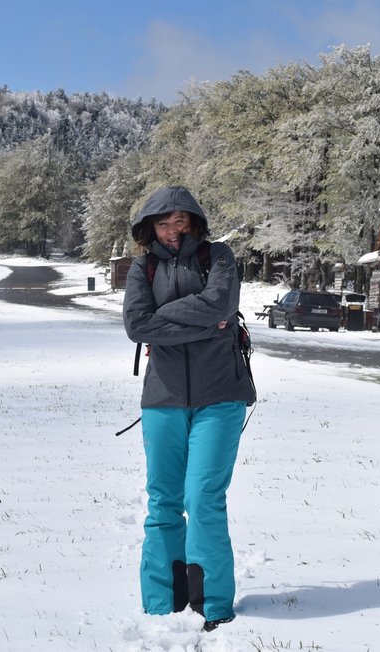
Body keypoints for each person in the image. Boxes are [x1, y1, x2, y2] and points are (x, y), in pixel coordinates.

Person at [122, 185, 256, 631]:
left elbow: (221, 303)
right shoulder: (143, 267)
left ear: (194, 222)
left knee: (203, 500)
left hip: (222, 396)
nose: (173, 229)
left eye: (180, 221)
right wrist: (201, 325)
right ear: (150, 229)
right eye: (164, 222)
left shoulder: (218, 257)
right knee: (163, 502)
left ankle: (212, 605)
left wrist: (166, 324)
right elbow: (136, 325)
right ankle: (162, 604)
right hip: (162, 399)